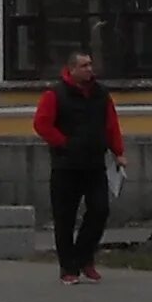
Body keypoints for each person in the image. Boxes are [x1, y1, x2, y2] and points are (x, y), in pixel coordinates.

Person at [30, 50, 123, 285]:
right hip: (66, 165)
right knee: (65, 218)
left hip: (94, 163)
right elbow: (41, 124)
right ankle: (68, 267)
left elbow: (111, 124)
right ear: (71, 69)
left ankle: (84, 256)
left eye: (91, 65)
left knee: (100, 210)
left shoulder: (100, 94)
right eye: (84, 66)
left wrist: (118, 151)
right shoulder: (56, 94)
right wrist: (64, 143)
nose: (90, 69)